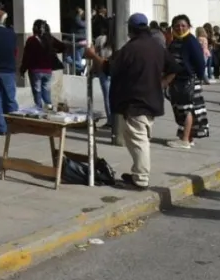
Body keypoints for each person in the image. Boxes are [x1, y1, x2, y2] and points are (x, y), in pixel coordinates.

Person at [85, 13, 180, 190]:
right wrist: (162, 84)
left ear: (131, 30)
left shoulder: (130, 49)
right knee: (135, 137)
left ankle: (141, 178)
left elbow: (109, 68)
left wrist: (93, 55)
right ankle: (138, 172)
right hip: (151, 99)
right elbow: (174, 68)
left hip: (137, 101)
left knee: (138, 140)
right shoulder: (157, 46)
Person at [167, 15, 210, 148]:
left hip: (188, 81)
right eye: (177, 26)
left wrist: (197, 76)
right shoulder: (175, 41)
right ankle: (187, 137)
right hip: (177, 81)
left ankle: (185, 140)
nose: (180, 28)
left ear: (188, 27)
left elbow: (200, 63)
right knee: (181, 109)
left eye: (183, 25)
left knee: (187, 109)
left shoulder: (190, 41)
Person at [19, 19, 64, 110]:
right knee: (46, 92)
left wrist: (22, 70)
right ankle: (49, 110)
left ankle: (39, 112)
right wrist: (53, 51)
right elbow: (63, 46)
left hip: (35, 71)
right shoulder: (49, 38)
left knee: (37, 93)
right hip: (48, 71)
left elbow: (26, 57)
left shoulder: (31, 40)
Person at [92, 32, 114, 128]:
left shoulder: (100, 39)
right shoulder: (118, 36)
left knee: (107, 97)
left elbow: (95, 55)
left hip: (103, 70)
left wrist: (93, 70)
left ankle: (110, 121)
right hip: (115, 70)